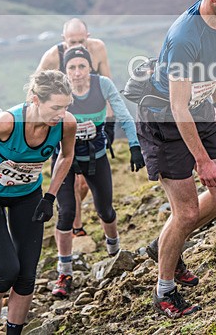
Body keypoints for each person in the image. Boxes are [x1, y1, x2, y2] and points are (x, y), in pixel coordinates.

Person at [136, 0, 216, 318]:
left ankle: (165, 242)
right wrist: (201, 161)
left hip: (199, 110)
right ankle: (164, 290)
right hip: (165, 119)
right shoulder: (185, 37)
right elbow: (177, 108)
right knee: (185, 212)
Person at [0, 70, 76, 335]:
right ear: (36, 100)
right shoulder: (7, 122)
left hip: (28, 196)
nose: (61, 114)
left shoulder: (66, 123)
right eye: (55, 107)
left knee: (26, 278)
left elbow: (66, 156)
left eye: (66, 106)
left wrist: (50, 196)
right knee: (6, 272)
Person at [50, 46, 145, 298]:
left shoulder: (102, 85)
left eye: (82, 66)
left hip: (96, 157)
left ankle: (114, 251)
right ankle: (64, 272)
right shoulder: (59, 89)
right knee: (66, 212)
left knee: (105, 210)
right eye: (72, 67)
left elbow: (125, 116)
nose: (77, 72)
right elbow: (43, 121)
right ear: (65, 70)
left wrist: (135, 146)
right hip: (64, 160)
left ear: (90, 67)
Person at [38, 17, 113, 237]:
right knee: (70, 176)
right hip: (64, 119)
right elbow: (35, 86)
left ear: (88, 37)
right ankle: (75, 226)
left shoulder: (98, 49)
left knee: (83, 182)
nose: (77, 46)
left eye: (81, 40)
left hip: (93, 118)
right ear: (63, 40)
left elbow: (107, 81)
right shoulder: (54, 56)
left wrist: (108, 121)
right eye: (72, 42)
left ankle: (73, 220)